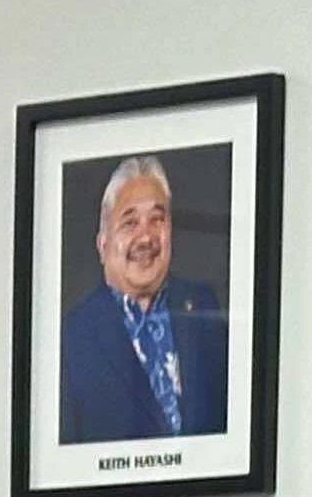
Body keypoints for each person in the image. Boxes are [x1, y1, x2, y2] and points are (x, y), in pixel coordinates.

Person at [60, 154, 230, 444]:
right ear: (103, 245)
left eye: (157, 219)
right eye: (129, 223)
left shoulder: (203, 307)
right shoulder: (71, 338)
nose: (146, 237)